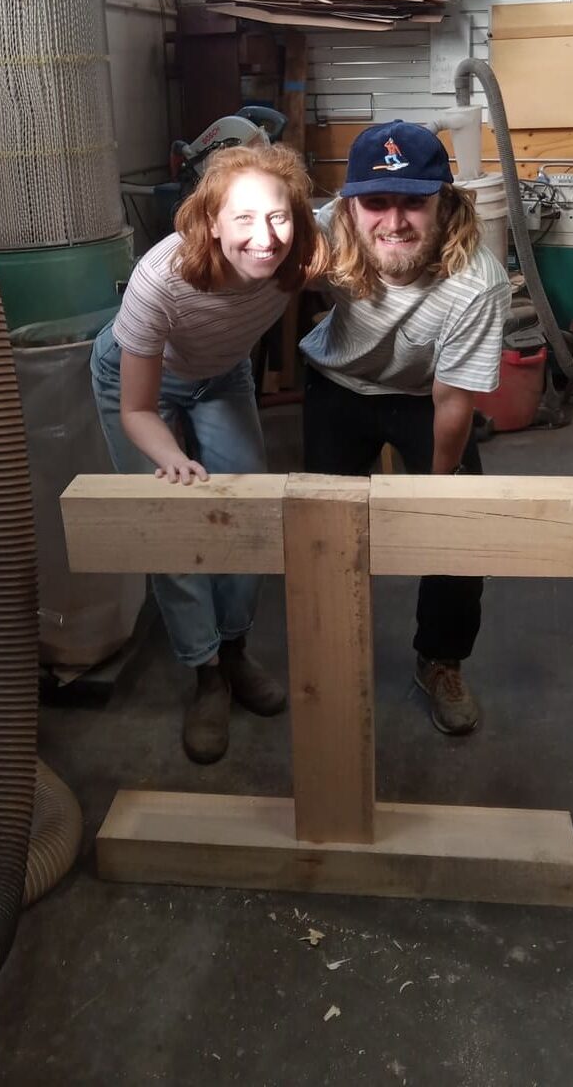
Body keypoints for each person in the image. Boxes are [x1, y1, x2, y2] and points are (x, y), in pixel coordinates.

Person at [91, 144, 327, 764]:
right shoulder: (162, 279)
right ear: (211, 222)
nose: (265, 238)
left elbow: (374, 234)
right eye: (243, 218)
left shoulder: (304, 250)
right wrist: (170, 456)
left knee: (246, 512)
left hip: (221, 374)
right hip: (138, 382)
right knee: (172, 521)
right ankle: (206, 675)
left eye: (278, 217)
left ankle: (235, 649)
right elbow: (137, 410)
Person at [300, 120, 511, 736]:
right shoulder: (320, 233)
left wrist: (435, 494)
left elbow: (452, 399)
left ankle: (440, 660)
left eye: (413, 202)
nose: (394, 222)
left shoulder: (477, 282)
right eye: (376, 202)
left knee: (458, 526)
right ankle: (330, 651)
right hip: (338, 384)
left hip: (424, 398)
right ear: (349, 206)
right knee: (322, 526)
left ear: (444, 202)